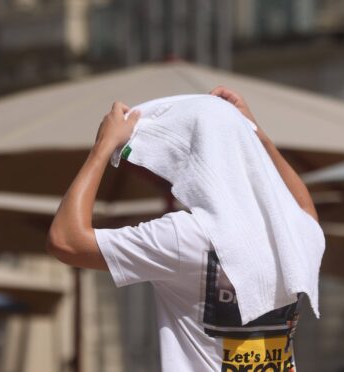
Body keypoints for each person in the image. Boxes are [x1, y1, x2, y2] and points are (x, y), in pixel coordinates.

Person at [47, 86, 318, 371]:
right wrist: (257, 135)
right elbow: (305, 208)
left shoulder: (186, 236)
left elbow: (66, 241)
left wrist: (102, 146)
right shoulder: (293, 231)